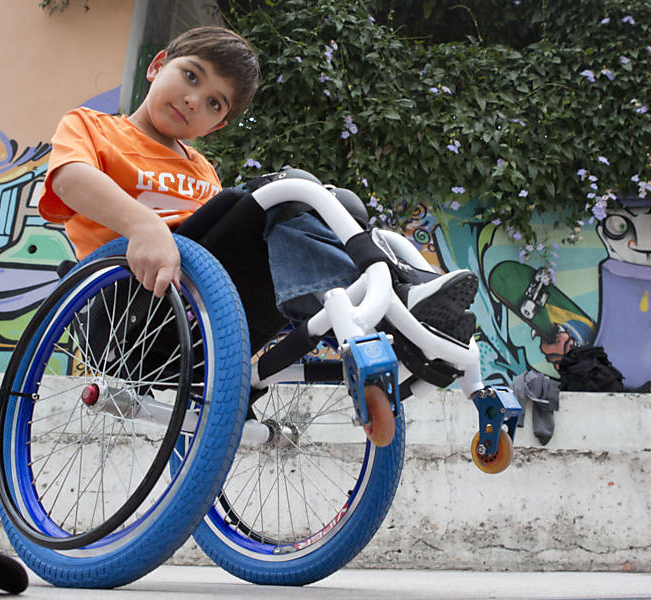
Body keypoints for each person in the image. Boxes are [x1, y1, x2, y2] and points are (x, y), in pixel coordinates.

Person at [38, 26, 474, 446]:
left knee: (340, 204)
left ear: (217, 126)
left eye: (214, 103)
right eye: (190, 76)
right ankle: (384, 306)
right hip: (131, 313)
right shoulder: (94, 127)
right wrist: (143, 225)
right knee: (285, 189)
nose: (193, 100)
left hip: (203, 320)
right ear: (156, 65)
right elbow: (68, 180)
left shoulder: (201, 171)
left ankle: (396, 313)